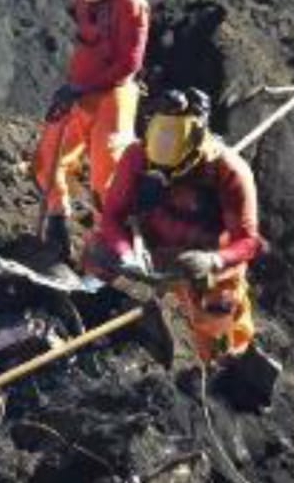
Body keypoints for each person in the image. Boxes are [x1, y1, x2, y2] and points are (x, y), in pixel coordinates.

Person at [87, 89, 265, 367]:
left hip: (205, 261)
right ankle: (92, 322)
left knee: (218, 312)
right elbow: (112, 216)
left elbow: (248, 242)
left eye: (173, 171)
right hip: (149, 246)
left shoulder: (229, 173)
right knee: (98, 252)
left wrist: (214, 260)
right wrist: (125, 255)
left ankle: (219, 369)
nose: (163, 177)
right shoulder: (138, 156)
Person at [33, 0, 148, 254]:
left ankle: (109, 250)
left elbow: (129, 64)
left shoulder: (131, 3)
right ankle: (57, 221)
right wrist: (73, 87)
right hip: (78, 87)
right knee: (47, 159)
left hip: (113, 96)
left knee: (106, 179)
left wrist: (82, 88)